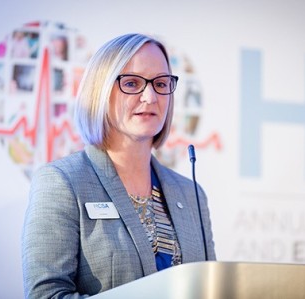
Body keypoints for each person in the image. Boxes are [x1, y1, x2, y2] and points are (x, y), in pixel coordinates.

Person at [21, 33, 216, 298]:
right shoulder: (63, 182)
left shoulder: (192, 195)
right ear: (100, 91)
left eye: (160, 83)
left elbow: (211, 288)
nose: (150, 96)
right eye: (132, 83)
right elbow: (47, 294)